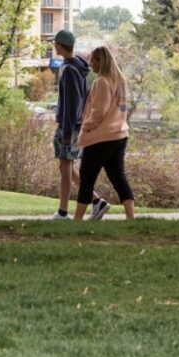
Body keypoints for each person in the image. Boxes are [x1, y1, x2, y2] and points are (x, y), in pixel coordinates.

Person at [51, 29, 107, 220]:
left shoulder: (68, 69)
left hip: (69, 126)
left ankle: (63, 211)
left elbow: (70, 104)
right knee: (65, 166)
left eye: (54, 44)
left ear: (60, 45)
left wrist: (66, 132)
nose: (54, 47)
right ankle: (97, 201)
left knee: (65, 167)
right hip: (76, 125)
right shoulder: (78, 68)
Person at [74, 47, 134, 220]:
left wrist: (86, 126)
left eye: (93, 60)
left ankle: (77, 219)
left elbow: (99, 111)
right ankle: (131, 217)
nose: (91, 64)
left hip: (101, 137)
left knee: (86, 178)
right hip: (120, 134)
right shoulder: (120, 81)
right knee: (118, 176)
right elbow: (121, 108)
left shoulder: (102, 82)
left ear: (102, 61)